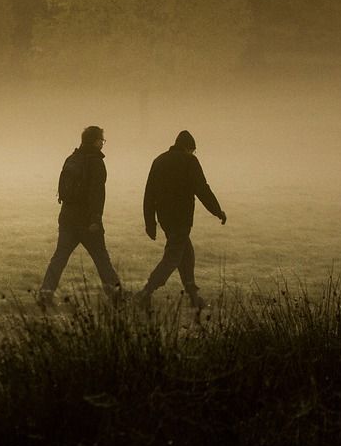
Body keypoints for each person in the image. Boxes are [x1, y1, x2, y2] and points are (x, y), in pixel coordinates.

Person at [137, 130, 226, 310]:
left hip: (165, 218)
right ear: (188, 148)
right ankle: (146, 292)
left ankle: (193, 296)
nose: (193, 154)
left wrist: (150, 223)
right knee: (173, 257)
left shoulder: (159, 161)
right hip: (182, 218)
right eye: (193, 151)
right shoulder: (189, 161)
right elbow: (202, 189)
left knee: (187, 255)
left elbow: (149, 194)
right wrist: (217, 211)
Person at [38, 125, 123, 306]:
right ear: (95, 141)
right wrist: (96, 219)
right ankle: (116, 295)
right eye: (101, 140)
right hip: (87, 220)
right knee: (101, 257)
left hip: (67, 217)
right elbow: (97, 193)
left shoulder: (72, 158)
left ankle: (45, 294)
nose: (103, 143)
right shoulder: (96, 162)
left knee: (59, 257)